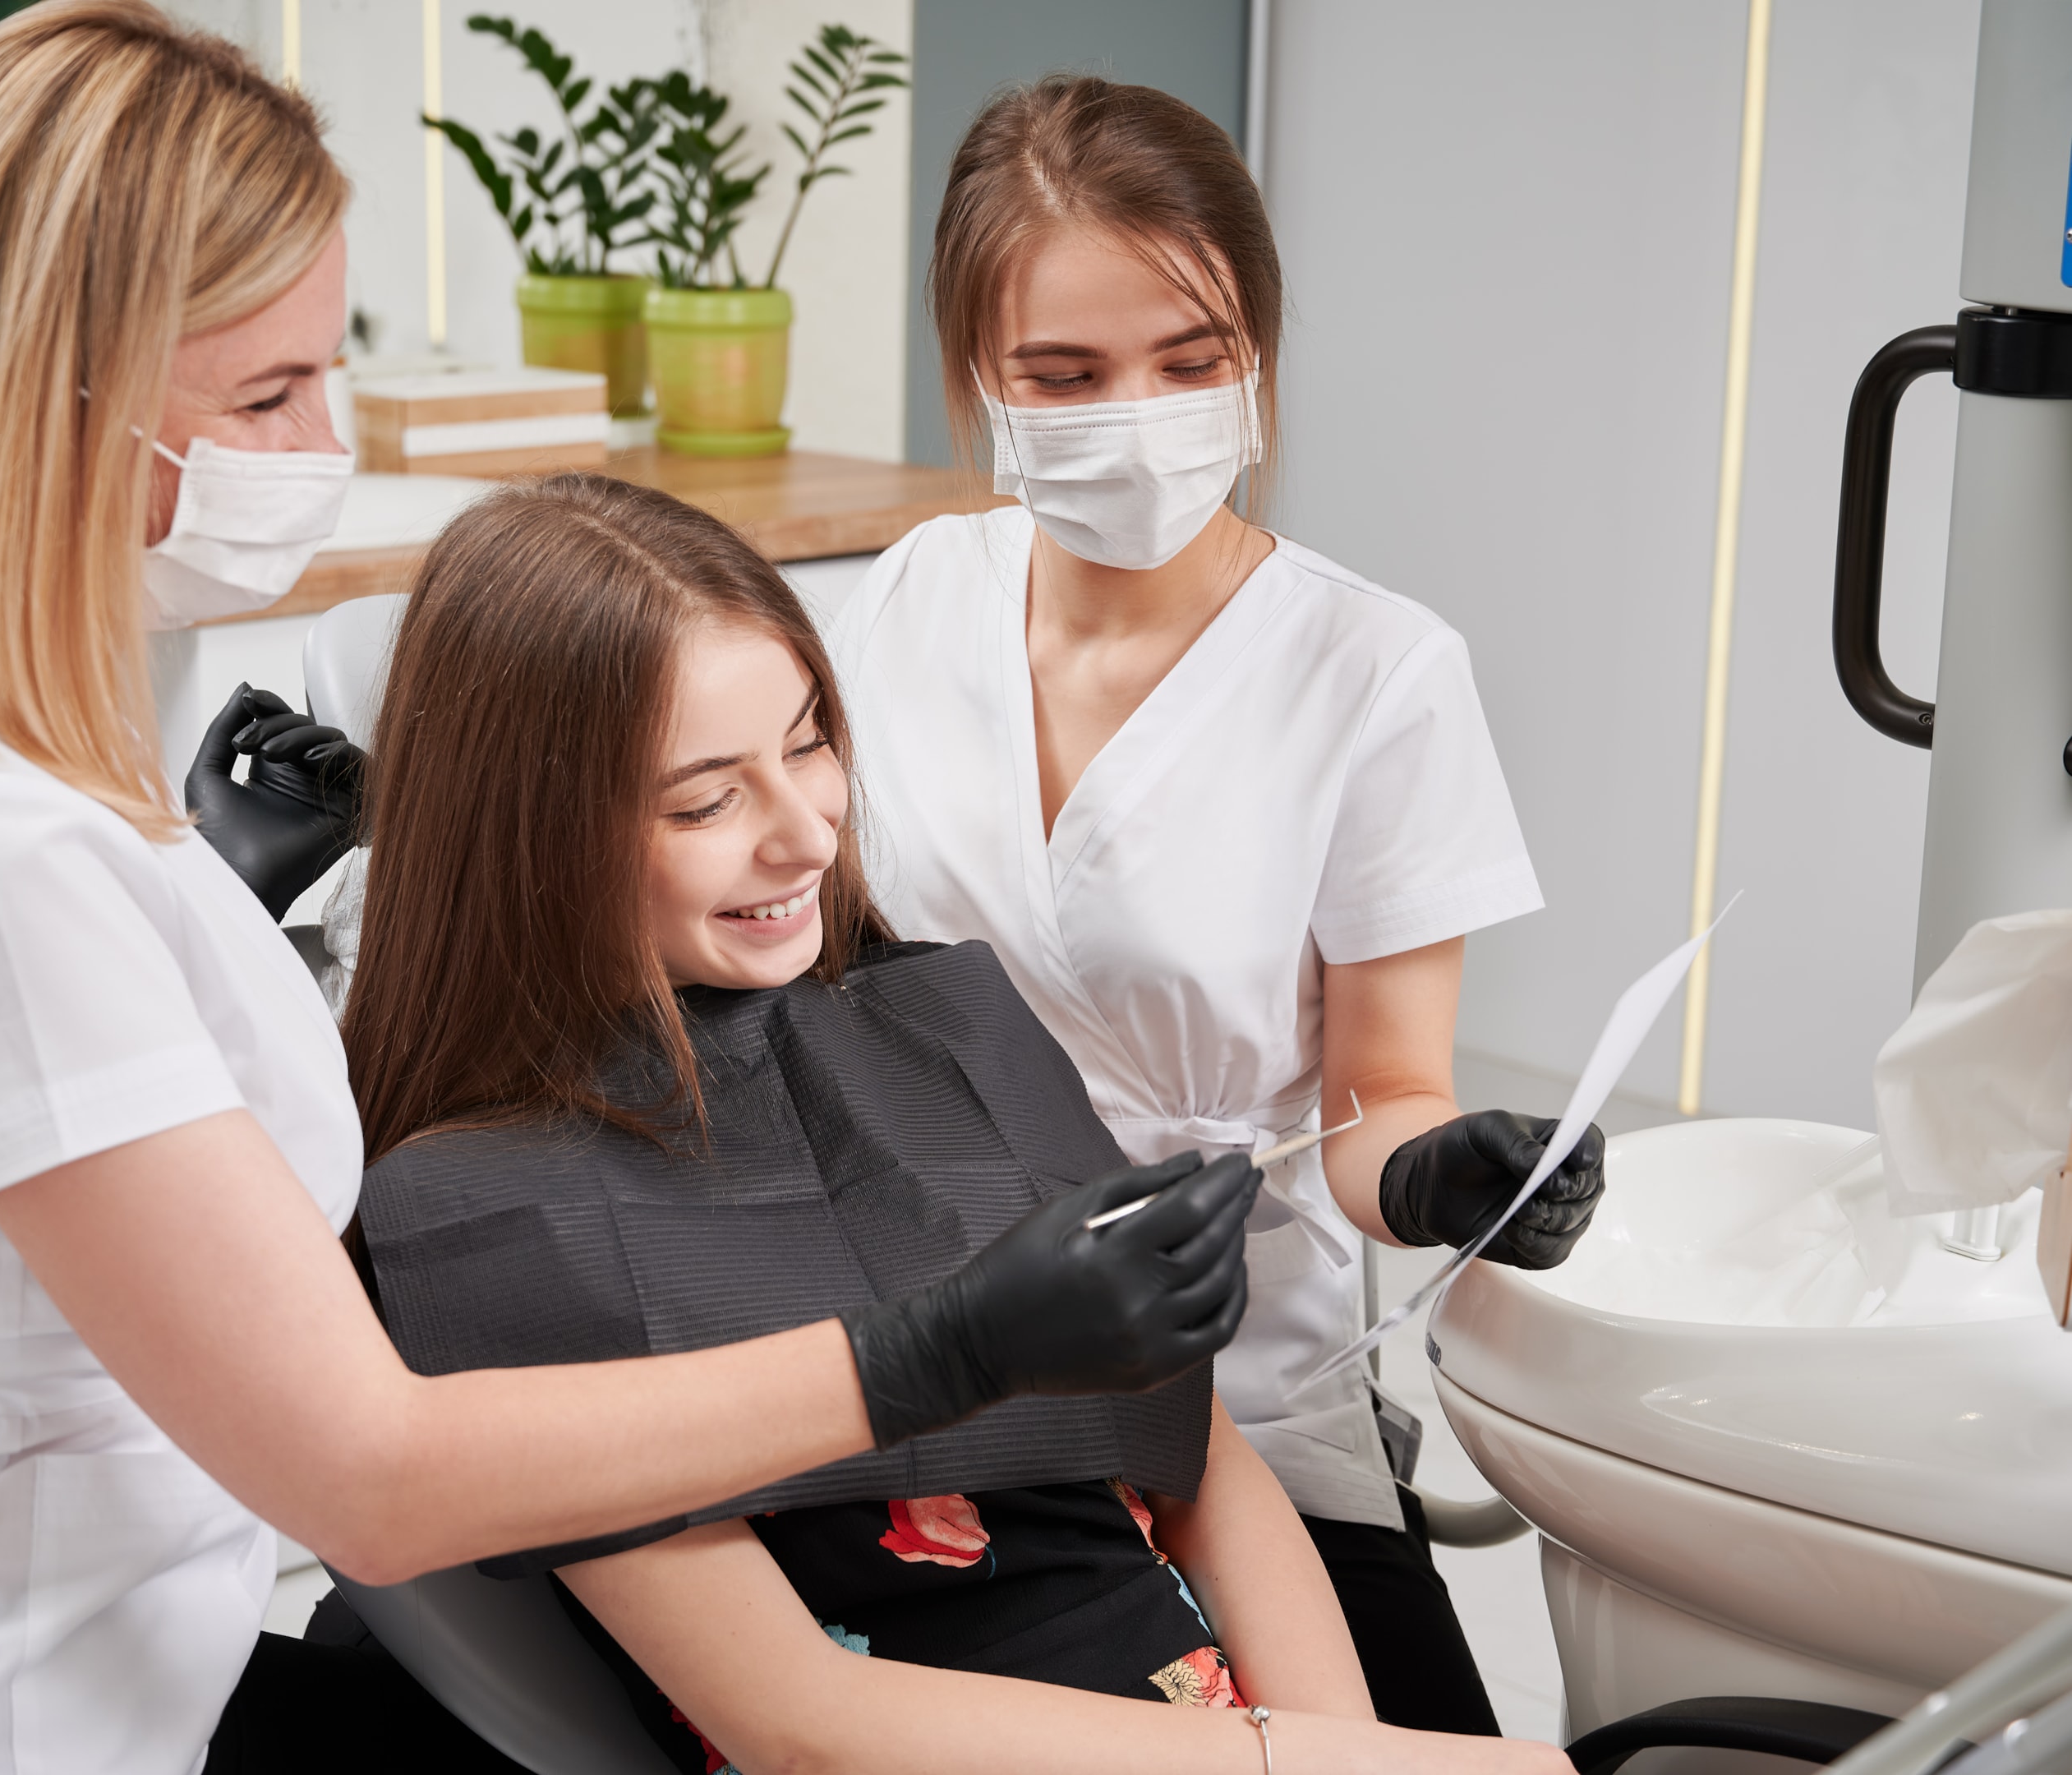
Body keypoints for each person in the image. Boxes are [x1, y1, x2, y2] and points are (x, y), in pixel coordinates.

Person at [0, 16, 1259, 1773]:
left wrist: (205, 897)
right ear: (50, 403)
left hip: (112, 1650)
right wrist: (935, 1350)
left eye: (323, 371)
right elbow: (371, 1477)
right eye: (264, 398)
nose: (320, 444)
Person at [328, 473, 1568, 1775]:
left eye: (809, 743)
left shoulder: (937, 1029)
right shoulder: (490, 1214)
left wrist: (1344, 1751)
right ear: (530, 834)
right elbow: (799, 1727)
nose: (807, 834)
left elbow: (1197, 1459)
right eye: (704, 801)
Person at [821, 76, 1606, 1734]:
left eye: (1193, 361)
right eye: (1065, 377)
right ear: (975, 376)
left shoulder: (1375, 672)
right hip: (915, 1353)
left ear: (1257, 351)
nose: (1138, 417)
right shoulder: (907, 601)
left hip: (1232, 1380)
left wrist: (1443, 1172)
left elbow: (1382, 1097)